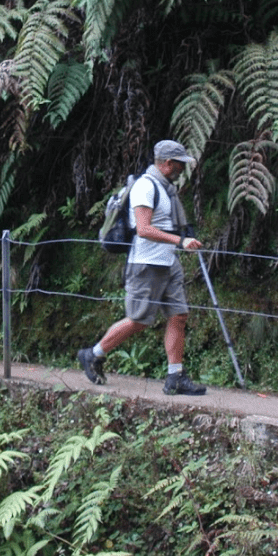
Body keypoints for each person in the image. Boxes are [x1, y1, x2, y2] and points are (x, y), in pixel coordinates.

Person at [78, 140, 207, 396]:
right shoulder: (145, 187)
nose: (182, 168)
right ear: (168, 163)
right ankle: (92, 354)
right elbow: (143, 229)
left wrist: (180, 238)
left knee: (178, 315)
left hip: (169, 262)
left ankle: (175, 377)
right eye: (180, 163)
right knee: (138, 319)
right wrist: (180, 241)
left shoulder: (165, 187)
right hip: (146, 264)